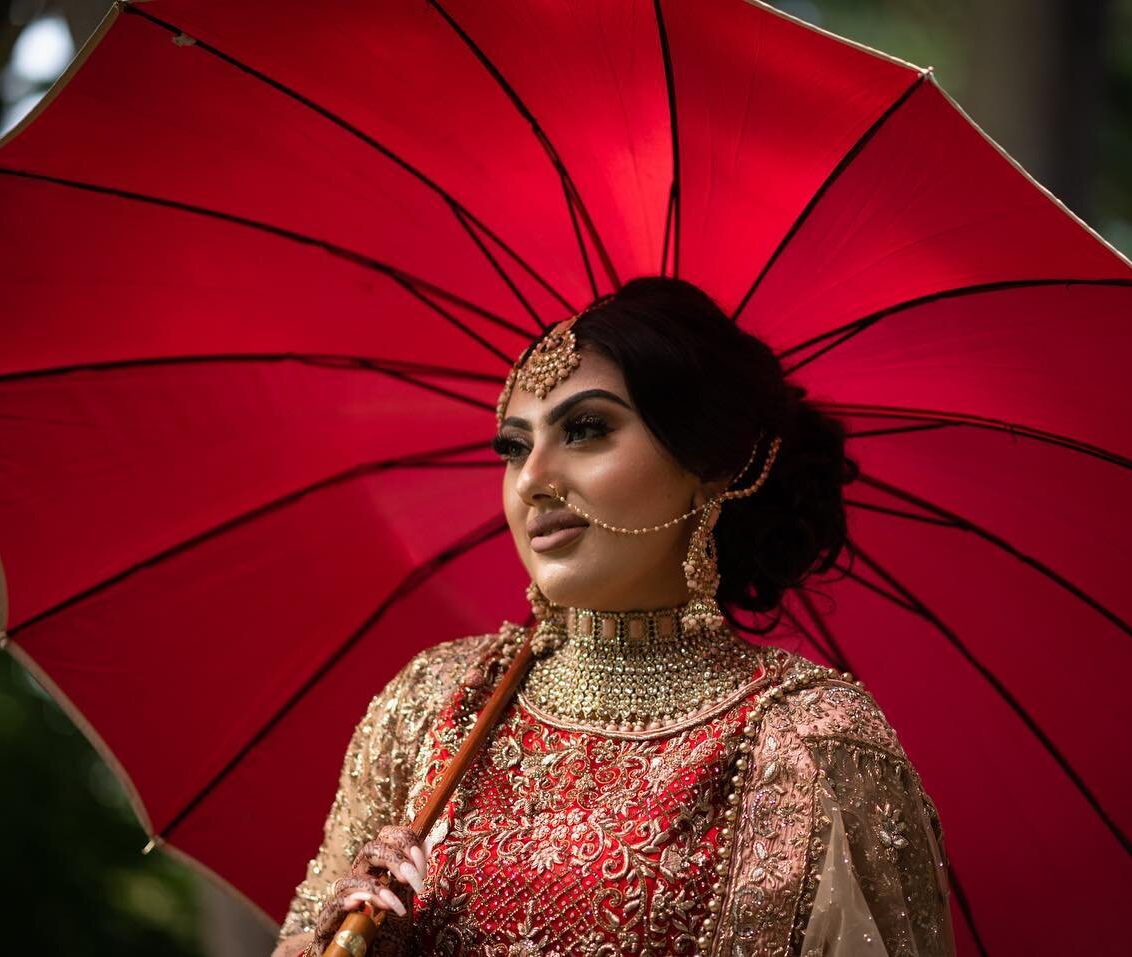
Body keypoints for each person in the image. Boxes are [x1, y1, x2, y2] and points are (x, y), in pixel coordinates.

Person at [271, 276, 956, 957]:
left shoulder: (812, 740)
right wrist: (341, 939)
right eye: (513, 446)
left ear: (716, 466)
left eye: (586, 429)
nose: (532, 478)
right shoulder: (431, 702)